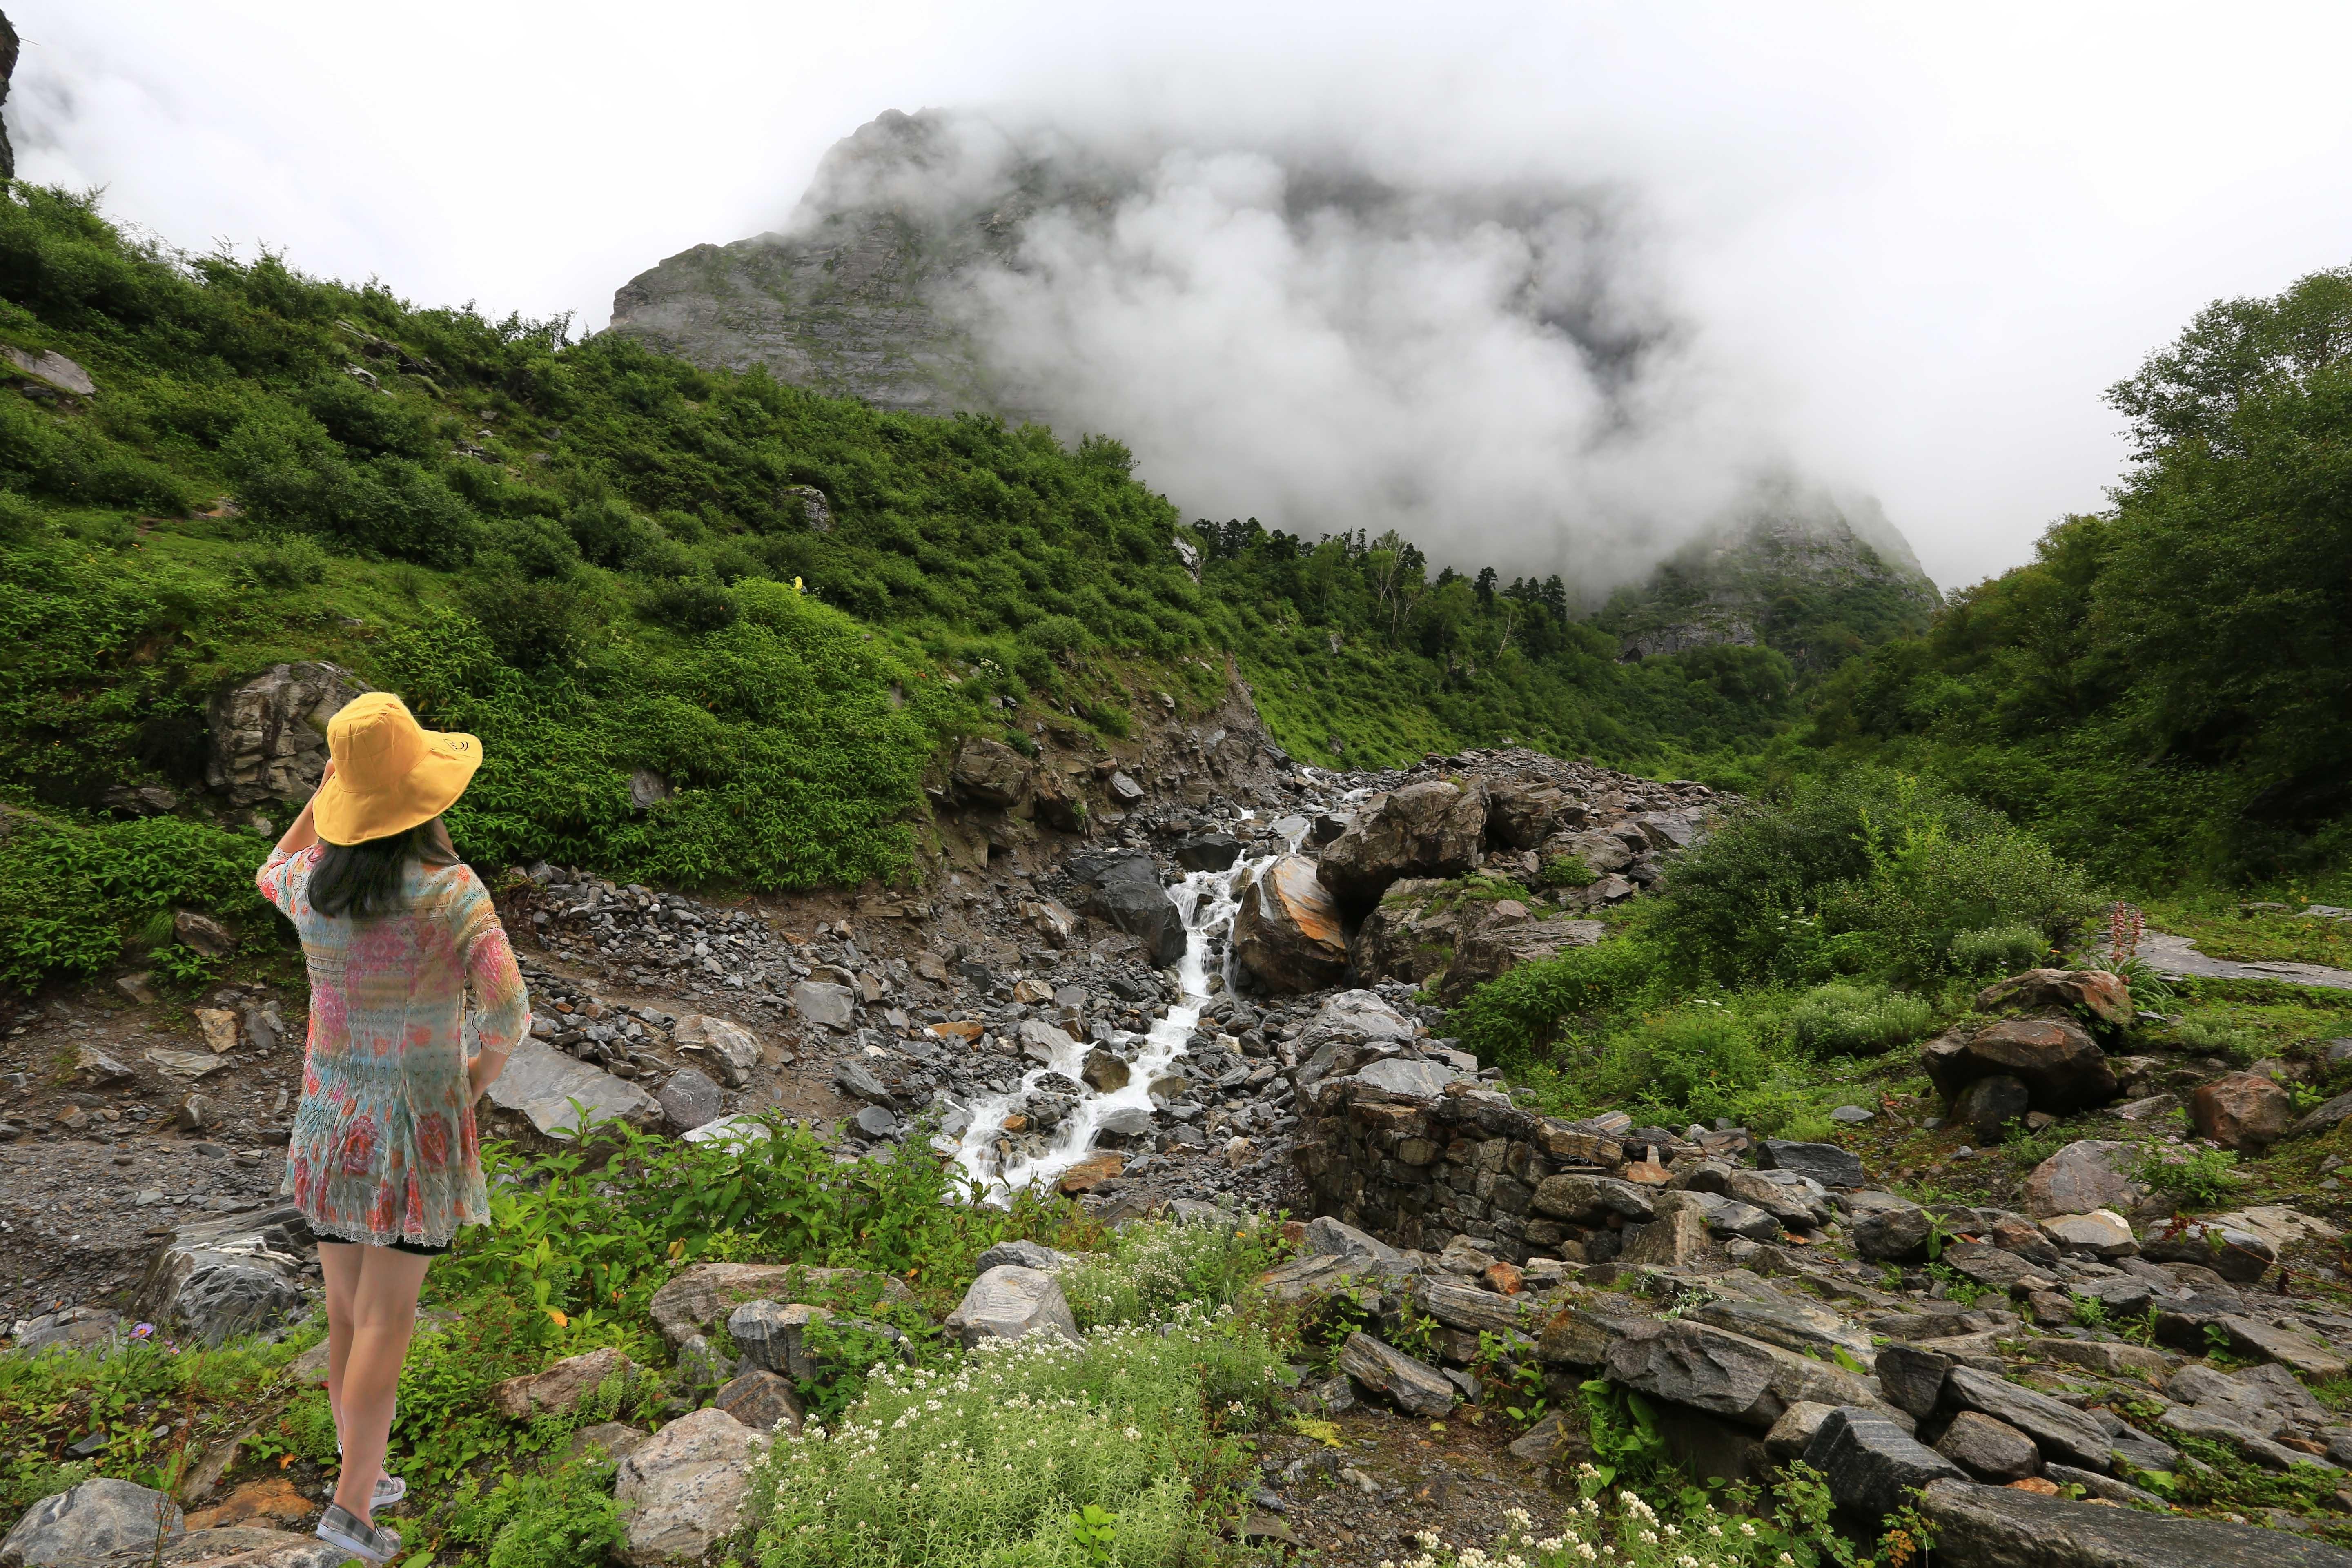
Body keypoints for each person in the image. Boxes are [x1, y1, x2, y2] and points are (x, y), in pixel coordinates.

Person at [256, 692, 529, 1564]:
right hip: (414, 1130)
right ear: (424, 793)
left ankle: (360, 1468)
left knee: (345, 1309)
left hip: (330, 1120)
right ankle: (350, 1514)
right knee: (386, 1320)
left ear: (348, 796)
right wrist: (474, 1081)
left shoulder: (312, 885)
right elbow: (508, 1010)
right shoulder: (450, 893)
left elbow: (274, 864)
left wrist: (324, 795)